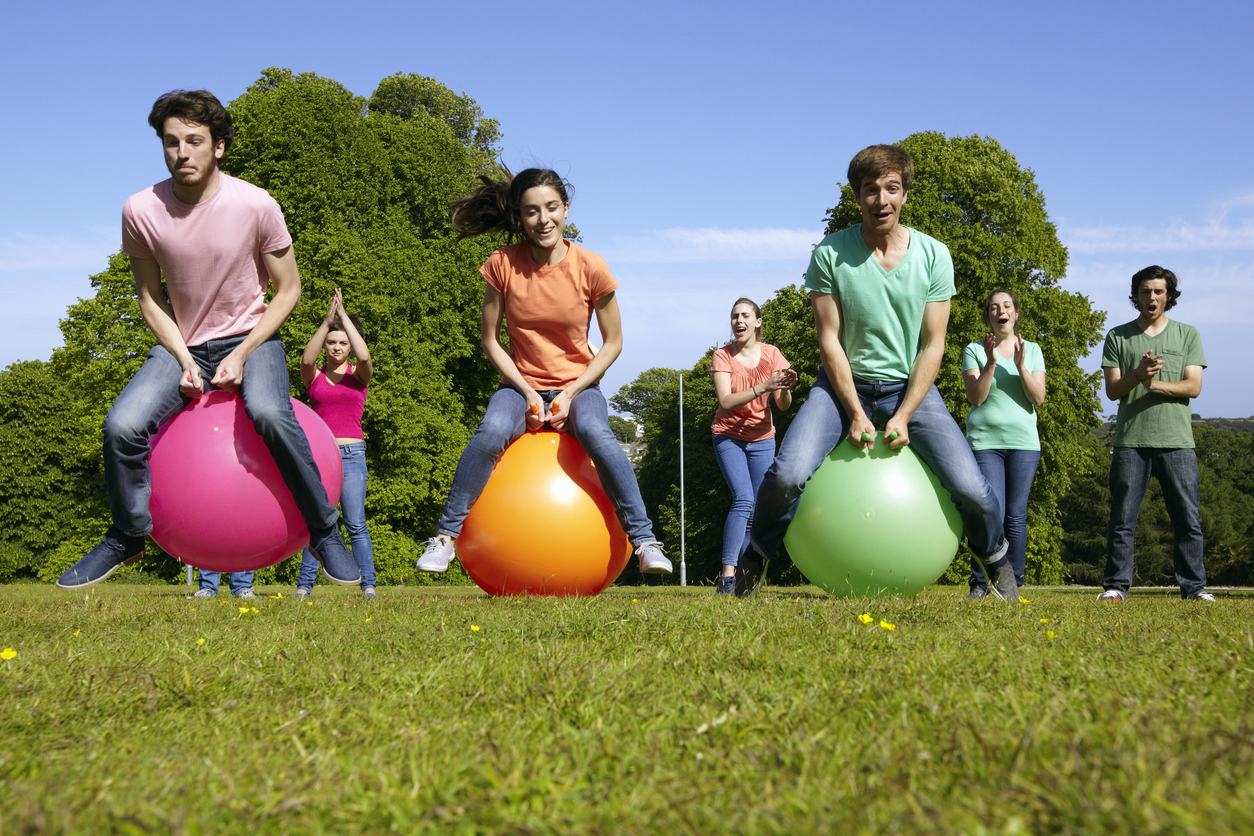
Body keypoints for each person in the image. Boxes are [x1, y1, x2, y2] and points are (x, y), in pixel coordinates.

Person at [56, 89, 359, 590]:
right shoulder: (140, 209)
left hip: (252, 337)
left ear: (218, 146)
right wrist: (182, 357)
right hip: (184, 344)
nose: (182, 153)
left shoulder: (256, 204)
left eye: (194, 141)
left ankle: (324, 532)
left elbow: (289, 291)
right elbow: (149, 299)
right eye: (171, 142)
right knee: (121, 425)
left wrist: (242, 352)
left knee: (268, 411)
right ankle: (128, 534)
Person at [742, 144, 1015, 600]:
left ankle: (995, 560)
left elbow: (934, 344)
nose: (881, 200)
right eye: (871, 190)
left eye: (891, 189)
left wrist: (905, 415)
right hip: (838, 389)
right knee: (786, 474)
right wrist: (853, 410)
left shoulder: (934, 255)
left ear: (905, 193)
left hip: (909, 388)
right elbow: (829, 340)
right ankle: (755, 558)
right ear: (858, 196)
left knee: (974, 488)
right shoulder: (830, 253)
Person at [415, 168, 670, 576]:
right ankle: (444, 538)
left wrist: (570, 393)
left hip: (579, 385)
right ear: (520, 216)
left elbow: (613, 343)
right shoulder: (502, 264)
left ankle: (645, 542)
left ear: (566, 210)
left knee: (598, 434)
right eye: (532, 211)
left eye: (552, 208)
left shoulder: (591, 266)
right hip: (519, 386)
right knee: (491, 431)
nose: (543, 219)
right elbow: (490, 341)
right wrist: (527, 391)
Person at [1098, 266, 1211, 602]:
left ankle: (1194, 588)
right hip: (1130, 441)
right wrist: (1138, 374)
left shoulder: (1187, 334)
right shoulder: (1117, 336)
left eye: (1159, 292)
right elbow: (1114, 391)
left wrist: (1153, 384)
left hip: (1177, 442)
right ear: (1136, 295)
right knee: (1121, 521)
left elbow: (1194, 386)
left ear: (1169, 296)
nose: (1152, 297)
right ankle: (1116, 587)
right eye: (1146, 291)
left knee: (1187, 520)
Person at [961, 290, 1047, 598]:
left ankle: (1014, 584)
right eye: (995, 307)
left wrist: (1022, 366)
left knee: (1015, 515)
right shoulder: (974, 350)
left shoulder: (1032, 349)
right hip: (985, 442)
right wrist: (991, 362)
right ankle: (981, 584)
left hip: (1024, 443)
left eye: (1007, 306)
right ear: (989, 317)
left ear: (1016, 313)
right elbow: (977, 397)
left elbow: (1038, 398)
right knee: (988, 512)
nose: (1002, 311)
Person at [710, 298, 796, 595]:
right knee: (744, 499)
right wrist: (763, 387)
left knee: (758, 509)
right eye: (734, 316)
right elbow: (725, 401)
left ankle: (746, 582)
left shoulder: (772, 354)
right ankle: (727, 578)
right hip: (728, 436)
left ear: (758, 322)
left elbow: (783, 406)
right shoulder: (722, 356)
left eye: (745, 315)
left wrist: (783, 388)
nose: (738, 321)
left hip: (762, 439)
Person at [294, 290, 376, 599]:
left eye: (343, 342)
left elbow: (365, 356)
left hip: (353, 455)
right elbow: (306, 358)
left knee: (356, 524)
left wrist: (343, 318)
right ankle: (304, 586)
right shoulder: (313, 376)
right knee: (318, 524)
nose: (337, 347)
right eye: (332, 342)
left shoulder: (360, 375)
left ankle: (368, 585)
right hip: (320, 457)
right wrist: (328, 320)